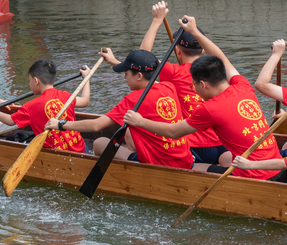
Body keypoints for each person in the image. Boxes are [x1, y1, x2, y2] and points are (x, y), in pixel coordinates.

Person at [123, 14, 282, 173]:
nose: (193, 88)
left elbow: (173, 132)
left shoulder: (210, 107)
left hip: (241, 169)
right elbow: (223, 59)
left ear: (203, 85)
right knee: (226, 158)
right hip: (263, 162)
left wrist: (140, 121)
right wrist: (195, 32)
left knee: (198, 168)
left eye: (194, 85)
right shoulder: (243, 85)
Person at [46, 49, 190, 168]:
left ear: (139, 76)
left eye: (126, 74)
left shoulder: (133, 100)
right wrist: (113, 60)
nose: (124, 78)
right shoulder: (169, 86)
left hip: (160, 164)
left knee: (99, 143)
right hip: (185, 159)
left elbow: (97, 126)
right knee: (128, 130)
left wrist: (61, 124)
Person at [136, 2, 225, 165]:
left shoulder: (172, 72)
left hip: (192, 146)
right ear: (203, 50)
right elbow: (220, 56)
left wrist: (157, 21)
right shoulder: (218, 69)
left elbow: (143, 57)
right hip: (221, 144)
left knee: (133, 135)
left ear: (177, 51)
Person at [0, 59, 89, 153]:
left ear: (36, 81)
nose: (30, 84)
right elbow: (85, 101)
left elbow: (10, 121)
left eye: (30, 81)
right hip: (81, 149)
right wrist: (86, 79)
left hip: (56, 155)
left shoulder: (31, 106)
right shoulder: (66, 96)